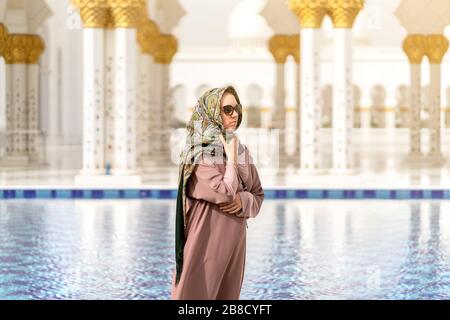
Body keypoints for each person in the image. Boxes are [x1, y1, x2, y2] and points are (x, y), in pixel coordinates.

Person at [171, 86, 265, 300]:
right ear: (211, 113)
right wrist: (232, 162)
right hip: (206, 244)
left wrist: (244, 200)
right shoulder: (199, 156)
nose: (235, 115)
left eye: (237, 108)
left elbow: (258, 194)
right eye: (228, 109)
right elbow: (224, 194)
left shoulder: (240, 150)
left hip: (235, 244)